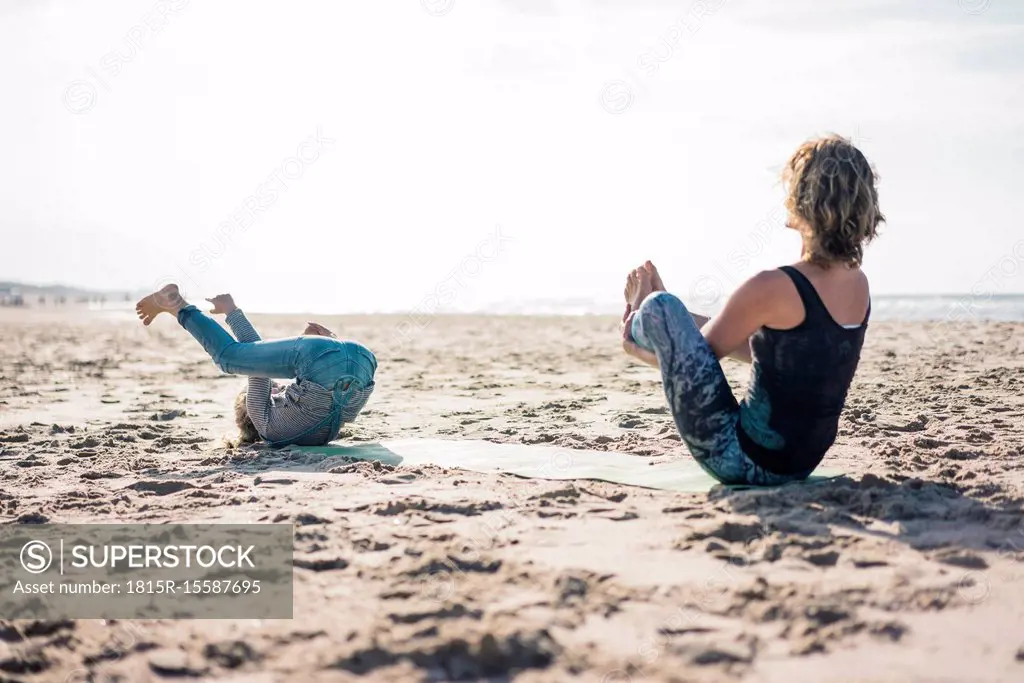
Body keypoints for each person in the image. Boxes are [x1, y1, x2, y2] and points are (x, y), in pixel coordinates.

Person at [621, 134, 883, 485]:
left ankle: (638, 313)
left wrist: (650, 318)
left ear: (802, 199)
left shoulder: (770, 286)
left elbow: (696, 365)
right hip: (798, 464)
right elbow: (756, 349)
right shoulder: (858, 285)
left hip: (740, 459)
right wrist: (679, 328)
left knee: (659, 307)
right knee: (672, 310)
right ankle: (657, 314)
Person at [135, 285, 376, 447]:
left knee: (274, 366)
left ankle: (325, 343)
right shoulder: (267, 424)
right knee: (228, 359)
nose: (276, 385)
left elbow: (318, 397)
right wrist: (232, 312)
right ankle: (177, 305)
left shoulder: (306, 432)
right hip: (322, 363)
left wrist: (317, 346)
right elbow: (254, 362)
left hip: (362, 361)